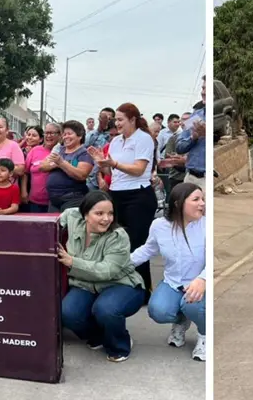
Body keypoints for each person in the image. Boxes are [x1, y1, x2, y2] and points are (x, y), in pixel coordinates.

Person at [57, 191, 146, 362]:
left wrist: (72, 262)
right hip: (84, 284)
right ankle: (99, 336)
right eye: (99, 213)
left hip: (120, 283)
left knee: (106, 309)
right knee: (68, 313)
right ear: (85, 214)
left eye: (110, 213)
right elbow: (63, 216)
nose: (106, 219)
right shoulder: (74, 217)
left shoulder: (118, 236)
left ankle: (119, 346)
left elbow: (108, 271)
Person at [132, 183, 206, 361]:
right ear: (178, 203)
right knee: (158, 311)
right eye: (196, 199)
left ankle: (204, 336)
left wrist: (203, 279)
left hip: (199, 283)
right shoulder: (159, 226)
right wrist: (121, 264)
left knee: (193, 306)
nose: (202, 203)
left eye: (203, 199)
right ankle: (181, 321)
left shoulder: (207, 225)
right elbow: (148, 249)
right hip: (173, 282)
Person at [88, 102, 157, 293]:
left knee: (137, 244)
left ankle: (142, 288)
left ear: (132, 119)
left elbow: (139, 169)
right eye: (115, 120)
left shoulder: (143, 139)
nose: (117, 123)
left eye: (120, 120)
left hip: (138, 195)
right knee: (116, 241)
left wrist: (114, 163)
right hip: (116, 193)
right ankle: (119, 283)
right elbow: (111, 171)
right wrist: (101, 163)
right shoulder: (116, 141)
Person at [47, 120, 94, 213]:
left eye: (69, 134)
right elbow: (42, 166)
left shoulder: (84, 154)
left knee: (70, 222)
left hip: (73, 199)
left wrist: (62, 163)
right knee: (53, 223)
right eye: (64, 134)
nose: (65, 137)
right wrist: (58, 164)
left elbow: (81, 175)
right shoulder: (59, 150)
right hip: (53, 200)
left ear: (80, 136)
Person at [175, 76, 207, 189]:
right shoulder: (195, 116)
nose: (203, 92)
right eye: (203, 88)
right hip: (190, 178)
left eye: (207, 89)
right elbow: (179, 147)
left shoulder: (221, 118)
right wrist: (193, 138)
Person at [22, 122, 57, 213]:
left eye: (52, 133)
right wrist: (24, 191)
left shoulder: (62, 151)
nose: (49, 136)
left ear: (59, 135)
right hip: (35, 201)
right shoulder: (35, 150)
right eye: (47, 133)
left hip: (55, 202)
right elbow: (25, 173)